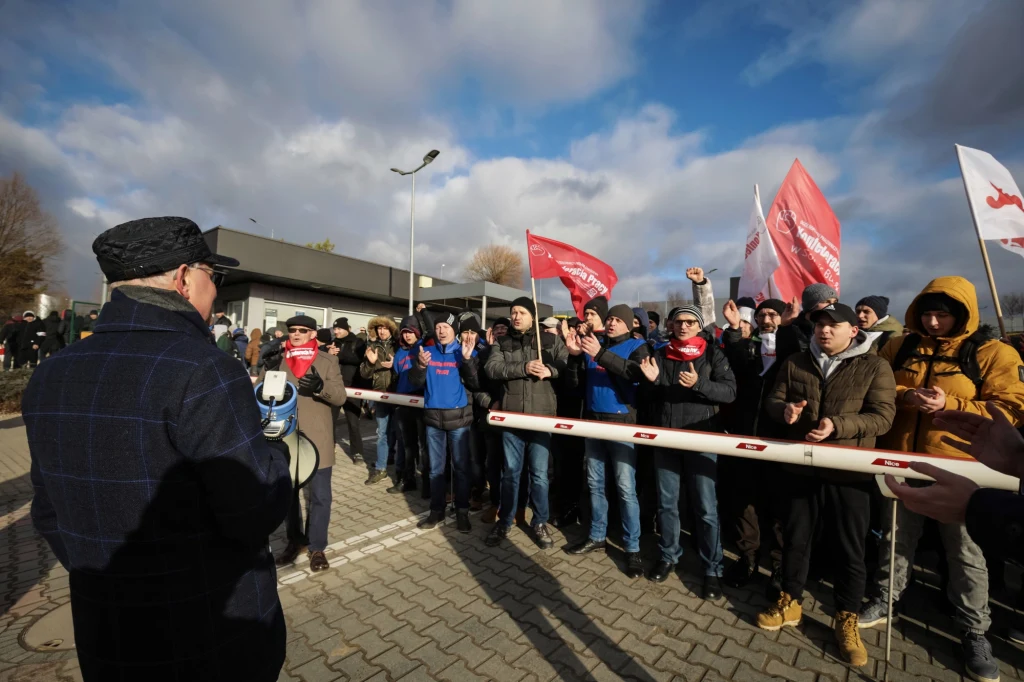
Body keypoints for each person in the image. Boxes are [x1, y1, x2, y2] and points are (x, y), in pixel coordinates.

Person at [23, 216, 292, 681]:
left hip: (106, 631)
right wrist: (279, 454)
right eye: (215, 277)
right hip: (209, 633)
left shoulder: (51, 372)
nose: (217, 291)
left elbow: (47, 511)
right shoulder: (205, 369)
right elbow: (253, 511)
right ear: (185, 279)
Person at [859, 277, 1024, 682]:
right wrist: (905, 395)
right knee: (897, 537)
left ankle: (974, 628)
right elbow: (875, 382)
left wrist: (951, 403)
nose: (933, 322)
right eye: (927, 313)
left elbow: (1013, 409)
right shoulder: (900, 345)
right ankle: (886, 597)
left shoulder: (992, 352)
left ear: (963, 314)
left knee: (966, 553)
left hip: (963, 471)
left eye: (943, 315)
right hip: (902, 463)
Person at [756, 302, 896, 669]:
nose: (825, 330)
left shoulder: (874, 365)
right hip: (802, 469)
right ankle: (790, 601)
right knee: (795, 539)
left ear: (854, 330)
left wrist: (837, 425)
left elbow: (882, 417)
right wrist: (783, 412)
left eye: (834, 325)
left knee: (850, 550)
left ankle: (846, 618)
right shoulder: (797, 361)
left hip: (849, 472)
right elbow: (774, 398)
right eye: (820, 324)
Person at [639, 305, 735, 598]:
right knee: (668, 505)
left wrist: (700, 384)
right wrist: (653, 383)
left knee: (706, 508)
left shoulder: (713, 353)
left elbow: (730, 392)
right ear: (670, 324)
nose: (683, 326)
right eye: (678, 321)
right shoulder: (660, 353)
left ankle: (712, 568)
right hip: (667, 440)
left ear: (698, 325)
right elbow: (650, 397)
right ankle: (669, 555)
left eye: (690, 322)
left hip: (702, 441)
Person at [564, 304, 651, 579]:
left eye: (617, 320)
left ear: (628, 325)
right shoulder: (593, 346)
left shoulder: (638, 346)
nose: (611, 323)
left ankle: (632, 548)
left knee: (626, 488)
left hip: (622, 423)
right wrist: (575, 357)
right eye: (609, 318)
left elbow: (634, 373)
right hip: (593, 421)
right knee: (595, 484)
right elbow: (575, 386)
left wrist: (599, 354)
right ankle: (596, 535)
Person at [263, 315, 347, 572]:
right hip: (286, 438)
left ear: (313, 334)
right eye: (292, 330)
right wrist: (267, 369)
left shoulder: (327, 360)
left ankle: (317, 547)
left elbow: (341, 397)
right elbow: (265, 397)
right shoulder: (280, 359)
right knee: (288, 496)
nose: (296, 334)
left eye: (303, 330)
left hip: (317, 437)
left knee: (321, 496)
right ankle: (294, 542)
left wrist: (322, 387)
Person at [484, 297, 567, 549]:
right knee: (510, 473)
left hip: (541, 417)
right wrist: (524, 367)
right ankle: (506, 519)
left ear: (532, 316)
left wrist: (551, 372)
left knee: (540, 475)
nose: (516, 316)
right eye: (513, 313)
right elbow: (492, 369)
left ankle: (539, 522)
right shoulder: (502, 341)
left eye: (521, 312)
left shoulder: (549, 340)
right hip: (512, 418)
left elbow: (565, 364)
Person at [719, 298, 788, 592]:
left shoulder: (791, 348)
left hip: (780, 440)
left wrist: (794, 325)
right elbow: (734, 357)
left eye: (773, 314)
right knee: (744, 503)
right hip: (745, 436)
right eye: (762, 315)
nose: (767, 319)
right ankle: (747, 559)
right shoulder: (751, 348)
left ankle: (779, 569)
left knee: (777, 509)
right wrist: (735, 328)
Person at [409, 312, 480, 531]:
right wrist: (420, 366)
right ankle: (436, 511)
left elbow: (475, 383)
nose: (441, 331)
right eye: (438, 327)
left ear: (454, 330)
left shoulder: (465, 352)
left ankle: (462, 512)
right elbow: (414, 382)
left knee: (461, 468)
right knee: (434, 470)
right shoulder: (426, 352)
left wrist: (467, 361)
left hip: (459, 421)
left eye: (446, 327)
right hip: (433, 421)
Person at [391, 316, 428, 495]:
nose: (407, 336)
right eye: (404, 333)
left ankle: (428, 483)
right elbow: (397, 374)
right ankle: (408, 479)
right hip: (402, 402)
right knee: (407, 445)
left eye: (410, 333)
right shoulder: (399, 352)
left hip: (420, 402)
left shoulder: (423, 348)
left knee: (424, 445)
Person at [360, 316, 398, 485]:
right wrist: (370, 363)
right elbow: (364, 374)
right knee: (382, 433)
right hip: (380, 396)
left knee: (396, 432)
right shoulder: (371, 346)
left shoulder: (398, 346)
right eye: (379, 328)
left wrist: (396, 365)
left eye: (385, 328)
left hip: (399, 397)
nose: (382, 331)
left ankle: (393, 460)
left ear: (391, 329)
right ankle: (381, 468)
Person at [325, 318, 366, 463]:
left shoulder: (358, 342)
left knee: (353, 423)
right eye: (334, 329)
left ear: (347, 329)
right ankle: (329, 448)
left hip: (352, 389)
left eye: (339, 329)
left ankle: (357, 452)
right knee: (330, 421)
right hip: (335, 388)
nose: (336, 332)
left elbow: (359, 359)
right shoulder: (333, 342)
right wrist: (328, 354)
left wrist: (339, 356)